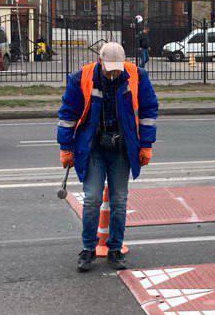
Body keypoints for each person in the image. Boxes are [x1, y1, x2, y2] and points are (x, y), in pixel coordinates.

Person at [57, 41, 159, 272]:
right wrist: (66, 147)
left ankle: (114, 249)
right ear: (100, 61)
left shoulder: (136, 76)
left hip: (122, 147)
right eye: (109, 67)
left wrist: (146, 145)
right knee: (92, 199)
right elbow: (67, 114)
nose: (114, 73)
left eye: (117, 68)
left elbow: (148, 111)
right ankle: (88, 249)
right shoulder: (80, 78)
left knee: (119, 200)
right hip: (94, 148)